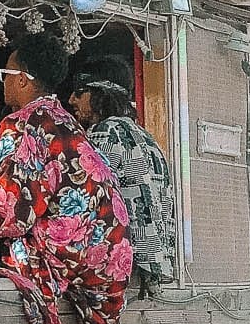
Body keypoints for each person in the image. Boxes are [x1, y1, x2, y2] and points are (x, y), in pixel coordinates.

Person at [0, 34, 133, 324]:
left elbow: (13, 210)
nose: (3, 83)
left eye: (6, 74)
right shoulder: (67, 122)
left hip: (74, 253)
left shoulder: (20, 124)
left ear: (22, 79)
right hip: (114, 258)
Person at [67, 70, 176, 297]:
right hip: (151, 262)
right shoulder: (145, 136)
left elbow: (85, 196)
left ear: (101, 95)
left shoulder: (104, 132)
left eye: (80, 93)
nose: (71, 100)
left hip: (119, 265)